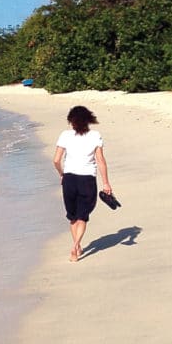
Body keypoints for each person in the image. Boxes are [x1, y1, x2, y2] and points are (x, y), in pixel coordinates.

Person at [53, 105, 112, 262]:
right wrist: (106, 183)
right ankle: (76, 245)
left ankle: (76, 246)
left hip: (70, 179)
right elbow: (100, 161)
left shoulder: (65, 136)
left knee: (72, 216)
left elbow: (56, 160)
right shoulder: (95, 136)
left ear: (71, 121)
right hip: (87, 180)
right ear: (88, 120)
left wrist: (62, 174)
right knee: (82, 216)